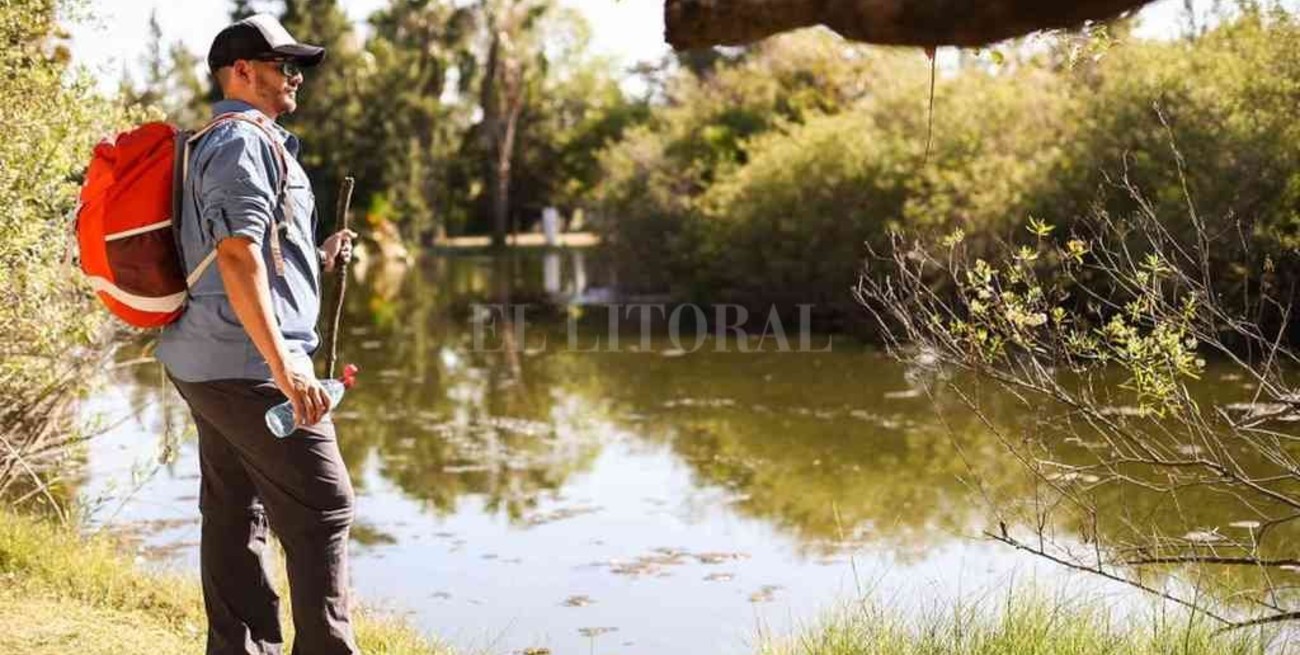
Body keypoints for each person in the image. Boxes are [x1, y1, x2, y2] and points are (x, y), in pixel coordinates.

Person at [156, 13, 361, 655]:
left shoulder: (221, 141)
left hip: (206, 358)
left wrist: (319, 255)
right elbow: (239, 255)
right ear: (242, 71)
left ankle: (239, 648)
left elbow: (251, 253)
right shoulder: (243, 141)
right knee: (325, 503)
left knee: (233, 507)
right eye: (285, 66)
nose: (296, 78)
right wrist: (287, 368)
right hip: (248, 365)